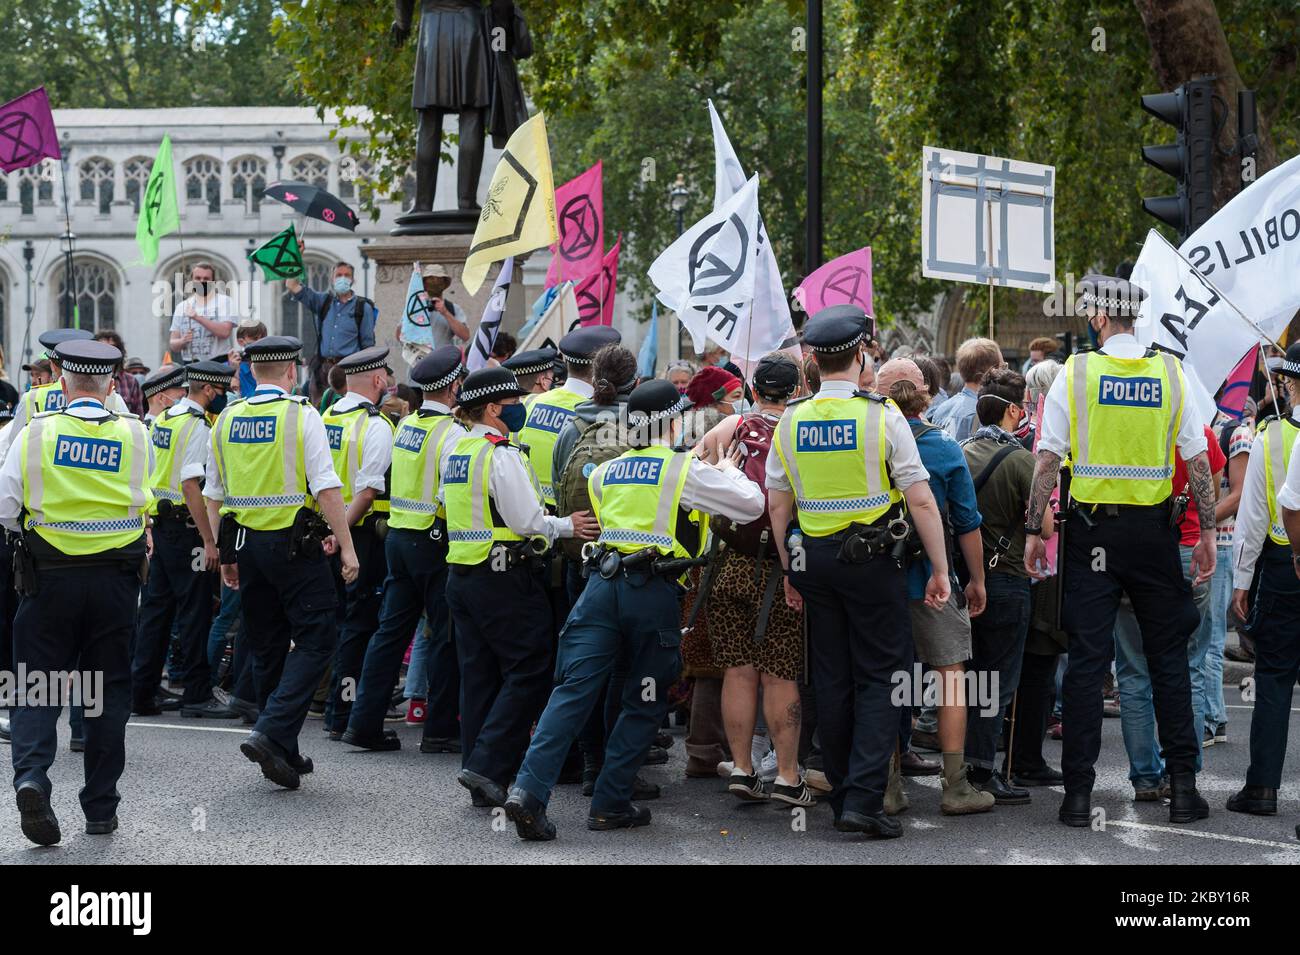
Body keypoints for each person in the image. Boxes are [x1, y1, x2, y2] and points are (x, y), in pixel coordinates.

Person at [505, 379, 763, 840]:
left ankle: (527, 792)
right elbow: (750, 504)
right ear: (675, 420)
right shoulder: (682, 470)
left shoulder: (606, 472)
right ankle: (610, 803)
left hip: (600, 588)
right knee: (643, 700)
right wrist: (727, 469)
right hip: (652, 595)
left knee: (571, 693)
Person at [1025, 273, 1216, 827]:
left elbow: (1048, 459)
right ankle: (1182, 790)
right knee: (1168, 663)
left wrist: (1036, 531)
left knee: (1087, 665)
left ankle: (1078, 797)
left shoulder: (1076, 373)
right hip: (1155, 538)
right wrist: (1205, 533)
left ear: (1100, 318)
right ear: (1136, 318)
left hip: (1092, 538)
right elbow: (1199, 460)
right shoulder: (1171, 373)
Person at [767, 305, 952, 838]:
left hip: (815, 562)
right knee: (882, 678)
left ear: (813, 363)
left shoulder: (792, 418)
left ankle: (844, 788)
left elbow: (778, 505)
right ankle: (864, 802)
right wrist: (939, 569)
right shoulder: (881, 414)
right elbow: (919, 499)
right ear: (863, 354)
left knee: (832, 676)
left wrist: (788, 566)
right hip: (872, 562)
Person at [0, 339, 152, 845]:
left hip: (48, 579)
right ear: (111, 386)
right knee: (107, 693)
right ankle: (100, 811)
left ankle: (32, 778)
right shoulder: (135, 433)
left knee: (36, 684)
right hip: (115, 583)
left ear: (62, 383)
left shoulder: (37, 432)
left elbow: (5, 506)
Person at [203, 335, 360, 790]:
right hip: (294, 548)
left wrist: (224, 553)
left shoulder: (227, 418)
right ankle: (271, 731)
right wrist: (348, 548)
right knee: (318, 636)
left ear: (251, 372)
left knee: (268, 643)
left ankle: (283, 747)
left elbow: (215, 493)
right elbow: (327, 487)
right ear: (291, 372)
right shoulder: (300, 414)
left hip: (247, 547)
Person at [440, 367, 598, 810]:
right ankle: (488, 767)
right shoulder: (499, 453)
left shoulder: (458, 449)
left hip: (464, 574)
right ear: (492, 408)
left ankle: (480, 770)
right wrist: (569, 524)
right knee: (529, 667)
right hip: (503, 575)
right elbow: (527, 521)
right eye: (512, 401)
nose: (519, 407)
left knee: (480, 674)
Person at [694, 353, 812, 806]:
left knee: (737, 672)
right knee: (780, 676)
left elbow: (694, 467)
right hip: (781, 568)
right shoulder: (801, 430)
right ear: (798, 390)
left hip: (729, 564)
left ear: (754, 390)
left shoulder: (733, 428)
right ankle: (786, 775)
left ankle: (742, 769)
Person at [876, 357, 992, 816]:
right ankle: (955, 784)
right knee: (950, 678)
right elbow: (966, 522)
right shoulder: (945, 447)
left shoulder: (870, 441)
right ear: (926, 394)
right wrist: (977, 579)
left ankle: (886, 786)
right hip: (933, 578)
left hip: (878, 578)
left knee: (880, 678)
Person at [341, 346, 466, 753]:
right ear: (453, 388)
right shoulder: (453, 434)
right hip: (434, 541)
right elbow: (452, 494)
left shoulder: (406, 424)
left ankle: (363, 723)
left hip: (398, 538)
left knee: (388, 634)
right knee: (445, 636)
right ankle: (441, 730)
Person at [1111, 422, 1223, 801]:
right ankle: (1184, 774)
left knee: (1133, 671)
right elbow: (1212, 493)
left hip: (1136, 553)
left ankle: (1144, 776)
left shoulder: (1131, 429)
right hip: (1191, 553)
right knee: (1189, 666)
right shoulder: (1202, 434)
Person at [960, 368, 1056, 803]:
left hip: (961, 580)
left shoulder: (958, 451)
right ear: (1015, 411)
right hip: (1007, 579)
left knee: (960, 677)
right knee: (996, 681)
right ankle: (982, 770)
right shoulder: (1022, 461)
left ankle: (958, 766)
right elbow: (1047, 526)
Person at [131, 360, 234, 719]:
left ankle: (141, 691)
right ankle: (196, 694)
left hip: (162, 526)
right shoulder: (196, 427)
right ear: (207, 390)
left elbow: (151, 473)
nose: (224, 397)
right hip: (187, 528)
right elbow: (192, 484)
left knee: (157, 612)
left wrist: (149, 525)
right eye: (221, 392)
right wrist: (209, 540)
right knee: (194, 614)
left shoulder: (165, 419)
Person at [1226, 343, 1300, 817]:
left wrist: (1242, 580)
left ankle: (1262, 789)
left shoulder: (1270, 436)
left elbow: (1253, 518)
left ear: (1292, 384)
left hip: (1281, 569)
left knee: (1273, 679)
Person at [319, 347, 397, 739]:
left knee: (338, 622)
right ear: (378, 380)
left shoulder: (326, 416)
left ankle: (336, 705)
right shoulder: (376, 425)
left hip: (325, 533)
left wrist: (329, 533)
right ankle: (343, 712)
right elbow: (367, 492)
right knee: (359, 624)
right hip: (357, 536)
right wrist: (341, 534)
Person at [518, 327, 620, 509]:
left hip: (529, 509)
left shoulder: (532, 402)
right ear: (602, 367)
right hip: (571, 515)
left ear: (566, 362)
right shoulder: (594, 414)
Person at [285, 258, 378, 401]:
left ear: (353, 279)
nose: (343, 278)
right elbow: (292, 284)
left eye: (347, 275)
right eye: (339, 275)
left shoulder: (362, 307)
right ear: (332, 279)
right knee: (318, 410)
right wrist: (296, 255)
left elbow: (368, 345)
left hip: (348, 370)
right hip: (323, 369)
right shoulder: (323, 301)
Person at [927, 338, 1004, 442]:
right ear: (991, 371)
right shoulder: (984, 414)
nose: (1005, 373)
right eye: (1003, 367)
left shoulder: (943, 409)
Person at [169, 261, 235, 363]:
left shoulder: (224, 301)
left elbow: (225, 332)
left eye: (206, 279)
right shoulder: (181, 307)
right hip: (190, 364)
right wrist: (183, 341)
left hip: (218, 363)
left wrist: (197, 317)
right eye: (198, 278)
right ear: (192, 281)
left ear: (213, 281)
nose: (202, 281)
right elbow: (173, 344)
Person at [417, 263, 470, 348]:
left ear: (444, 284)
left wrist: (445, 313)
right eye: (431, 279)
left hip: (443, 359)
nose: (435, 282)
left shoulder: (453, 308)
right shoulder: (416, 306)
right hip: (419, 358)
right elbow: (400, 335)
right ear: (424, 284)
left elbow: (465, 336)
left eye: (439, 279)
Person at [94, 331, 145, 418]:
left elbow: (138, 418)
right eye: (102, 347)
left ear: (119, 352)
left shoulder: (131, 381)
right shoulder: (87, 378)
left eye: (113, 348)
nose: (107, 351)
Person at [231, 320, 268, 399]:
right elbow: (231, 400)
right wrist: (234, 374)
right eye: (255, 338)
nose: (260, 342)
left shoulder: (271, 366)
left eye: (263, 339)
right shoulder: (233, 367)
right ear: (241, 342)